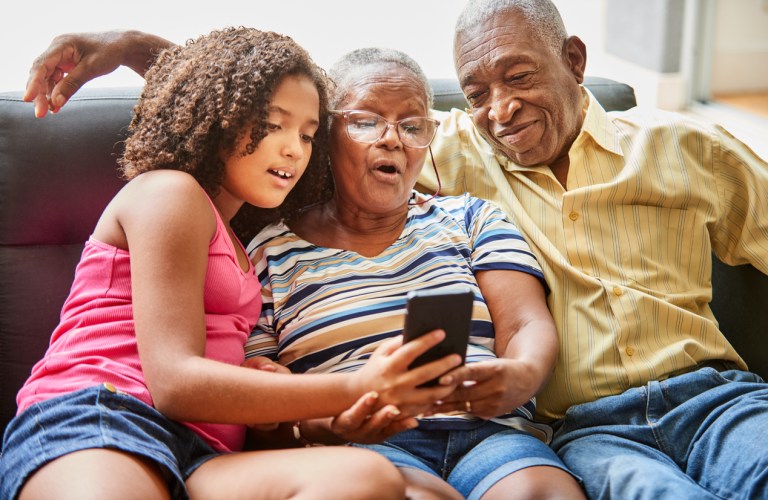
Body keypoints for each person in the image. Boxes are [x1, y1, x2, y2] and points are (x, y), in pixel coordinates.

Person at [20, 0, 768, 496]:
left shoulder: (460, 182)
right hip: (117, 415)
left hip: (703, 398)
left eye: (413, 124)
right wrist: (128, 46)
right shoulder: (257, 223)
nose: (500, 110)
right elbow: (254, 100)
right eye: (477, 92)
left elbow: (277, 107)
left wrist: (518, 373)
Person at [1, 26, 469, 500]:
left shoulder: (247, 239)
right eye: (273, 125)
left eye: (308, 136)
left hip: (203, 452)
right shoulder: (170, 193)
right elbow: (176, 382)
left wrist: (320, 421)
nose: (293, 148)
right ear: (221, 117)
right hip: (104, 417)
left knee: (378, 479)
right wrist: (356, 385)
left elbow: (251, 90)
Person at [243, 47, 584, 500]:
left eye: (412, 126)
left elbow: (524, 322)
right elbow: (264, 395)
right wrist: (328, 422)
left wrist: (521, 374)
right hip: (365, 447)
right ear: (326, 135)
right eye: (366, 121)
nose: (392, 140)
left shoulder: (471, 219)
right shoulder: (270, 252)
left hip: (492, 433)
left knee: (543, 493)